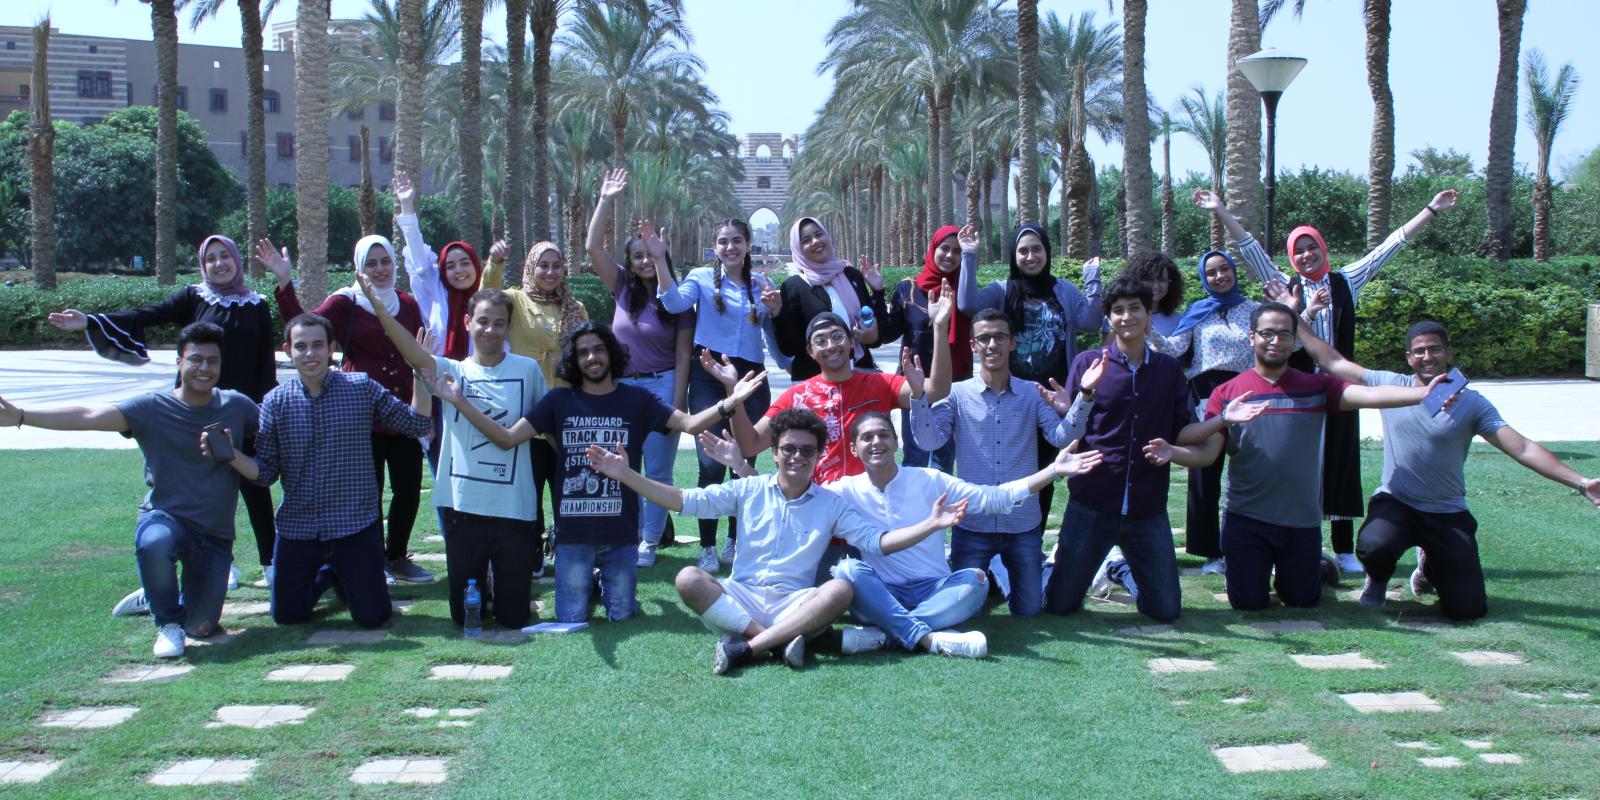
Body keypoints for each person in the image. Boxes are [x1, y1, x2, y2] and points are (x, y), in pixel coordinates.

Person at [585, 408, 971, 674]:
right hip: (742, 597)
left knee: (839, 589)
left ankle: (746, 649)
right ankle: (773, 643)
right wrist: (626, 475)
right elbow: (685, 501)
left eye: (807, 450)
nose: (797, 456)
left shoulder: (831, 504)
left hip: (795, 603)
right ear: (774, 453)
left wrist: (932, 524)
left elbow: (879, 542)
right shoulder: (748, 488)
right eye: (789, 448)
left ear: (819, 456)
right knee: (688, 578)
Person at [1195, 187, 1459, 576]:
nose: (1305, 255)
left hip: (1339, 386)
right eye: (1298, 250)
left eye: (1311, 247)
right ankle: (1281, 540)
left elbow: (1389, 247)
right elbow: (1248, 247)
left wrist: (1430, 211)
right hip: (1295, 388)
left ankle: (1343, 546)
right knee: (1292, 462)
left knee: (1340, 459)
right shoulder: (1287, 286)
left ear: (1322, 248)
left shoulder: (1345, 281)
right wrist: (1220, 210)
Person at [431, 321, 768, 624]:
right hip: (574, 534)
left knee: (620, 615)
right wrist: (460, 402)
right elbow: (506, 439)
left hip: (621, 533)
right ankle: (591, 582)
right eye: (583, 353)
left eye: (598, 350)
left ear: (611, 354)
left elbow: (690, 424)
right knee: (571, 617)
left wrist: (730, 399)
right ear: (574, 361)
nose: (592, 358)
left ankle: (600, 581)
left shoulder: (637, 400)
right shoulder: (558, 401)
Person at [704, 412, 1101, 657]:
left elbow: (992, 499)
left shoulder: (929, 479)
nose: (876, 442)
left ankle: (888, 635)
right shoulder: (842, 490)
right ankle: (929, 639)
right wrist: (741, 467)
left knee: (977, 582)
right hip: (877, 594)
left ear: (895, 442)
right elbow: (783, 495)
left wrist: (1053, 472)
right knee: (848, 572)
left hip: (933, 589)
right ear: (855, 448)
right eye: (866, 438)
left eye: (883, 435)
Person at [1295, 314, 1600, 619]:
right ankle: (1377, 579)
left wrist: (1582, 483)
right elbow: (1333, 362)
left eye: (1435, 349)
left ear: (1448, 353)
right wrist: (1294, 318)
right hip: (1396, 502)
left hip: (1446, 511)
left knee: (1468, 610)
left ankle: (1428, 569)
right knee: (1374, 544)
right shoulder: (1390, 385)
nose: (1427, 357)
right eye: (1419, 351)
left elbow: (1522, 447)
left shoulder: (1471, 402)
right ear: (1409, 357)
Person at [1, 323, 257, 658]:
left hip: (215, 534)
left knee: (202, 628)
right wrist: (22, 415)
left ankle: (154, 593)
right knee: (155, 543)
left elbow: (277, 430)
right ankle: (166, 620)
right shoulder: (152, 408)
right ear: (179, 362)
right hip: (167, 516)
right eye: (196, 360)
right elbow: (90, 415)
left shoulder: (237, 406)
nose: (205, 369)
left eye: (213, 361)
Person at [1175, 302, 1443, 611]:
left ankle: (1318, 564)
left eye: (1284, 334)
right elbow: (1208, 456)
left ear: (1294, 341)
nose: (1276, 341)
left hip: (1300, 522)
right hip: (1245, 520)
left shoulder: (1315, 386)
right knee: (1248, 604)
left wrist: (1423, 393)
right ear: (1252, 337)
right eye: (1267, 333)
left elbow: (1369, 395)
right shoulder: (1227, 393)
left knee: (1302, 600)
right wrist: (1171, 453)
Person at [50, 236, 276, 592]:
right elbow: (147, 315)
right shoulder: (195, 297)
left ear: (236, 259)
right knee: (206, 491)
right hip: (194, 413)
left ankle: (271, 563)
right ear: (203, 265)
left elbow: (266, 364)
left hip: (240, 412)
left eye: (225, 257)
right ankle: (221, 563)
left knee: (254, 490)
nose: (219, 264)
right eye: (211, 258)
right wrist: (90, 322)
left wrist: (264, 413)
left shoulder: (257, 305)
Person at [712, 300, 953, 583]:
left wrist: (939, 327)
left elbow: (936, 389)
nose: (831, 345)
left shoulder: (878, 384)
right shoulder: (797, 396)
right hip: (818, 521)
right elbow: (751, 444)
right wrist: (733, 398)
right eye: (821, 340)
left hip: (870, 518)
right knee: (820, 594)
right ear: (810, 351)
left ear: (852, 342)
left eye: (838, 337)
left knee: (880, 590)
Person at [357, 274, 546, 631]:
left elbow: (541, 425)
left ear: (509, 327)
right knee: (464, 616)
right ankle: (483, 585)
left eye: (499, 324)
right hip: (464, 506)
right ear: (467, 322)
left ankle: (507, 589)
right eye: (483, 321)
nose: (490, 330)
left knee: (513, 619)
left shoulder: (528, 371)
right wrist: (380, 308)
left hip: (514, 508)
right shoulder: (449, 371)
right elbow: (413, 356)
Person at [225, 313, 432, 629]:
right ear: (287, 350)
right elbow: (265, 473)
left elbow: (416, 423)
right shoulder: (274, 402)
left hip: (355, 527)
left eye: (318, 345)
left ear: (332, 347)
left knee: (373, 617)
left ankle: (348, 572)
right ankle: (332, 573)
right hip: (299, 530)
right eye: (301, 346)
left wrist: (421, 371)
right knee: (288, 617)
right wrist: (231, 455)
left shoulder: (361, 387)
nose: (310, 354)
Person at [1042, 278, 1229, 623]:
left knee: (1165, 609)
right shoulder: (1087, 364)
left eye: (1135, 308)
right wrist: (1072, 402)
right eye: (1118, 310)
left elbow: (1181, 430)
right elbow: (1072, 425)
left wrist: (1221, 420)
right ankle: (1060, 563)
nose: (1126, 316)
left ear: (1148, 314)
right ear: (1108, 318)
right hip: (1092, 502)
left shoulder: (1168, 370)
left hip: (1147, 507)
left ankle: (1118, 567)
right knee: (1059, 605)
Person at [257, 234, 434, 585]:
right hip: (360, 414)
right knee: (368, 491)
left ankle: (396, 555)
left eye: (385, 261)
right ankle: (370, 561)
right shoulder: (345, 302)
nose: (380, 269)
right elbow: (303, 328)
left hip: (401, 413)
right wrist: (283, 280)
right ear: (358, 267)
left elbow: (418, 350)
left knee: (409, 489)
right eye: (371, 263)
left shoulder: (407, 303)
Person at [909, 307, 1081, 617]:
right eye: (984, 338)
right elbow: (929, 440)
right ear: (973, 345)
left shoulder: (1031, 392)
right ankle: (992, 579)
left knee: (1028, 611)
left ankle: (1021, 573)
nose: (992, 345)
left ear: (1012, 343)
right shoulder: (957, 395)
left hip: (1022, 523)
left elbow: (1060, 437)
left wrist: (1081, 402)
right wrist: (919, 396)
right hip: (973, 523)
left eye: (1000, 337)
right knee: (966, 612)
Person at [656, 218, 784, 574]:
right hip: (710, 374)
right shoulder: (700, 277)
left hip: (751, 378)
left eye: (737, 241)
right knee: (711, 463)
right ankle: (708, 547)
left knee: (746, 460)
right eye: (723, 242)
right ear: (715, 247)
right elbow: (673, 303)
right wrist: (659, 260)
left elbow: (776, 336)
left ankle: (736, 541)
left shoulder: (763, 284)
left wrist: (776, 309)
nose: (730, 247)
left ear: (748, 244)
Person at [957, 224, 1102, 530]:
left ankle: (1030, 541)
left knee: (1045, 475)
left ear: (1047, 252)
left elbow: (1090, 322)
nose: (1031, 256)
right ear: (1014, 255)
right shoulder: (1002, 289)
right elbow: (968, 305)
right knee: (1011, 471)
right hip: (1014, 398)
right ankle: (1001, 543)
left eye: (1037, 249)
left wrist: (1093, 280)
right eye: (1023, 250)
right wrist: (969, 255)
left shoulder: (1064, 290)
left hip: (1053, 399)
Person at [585, 169, 695, 567]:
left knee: (659, 469)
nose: (645, 260)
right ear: (629, 262)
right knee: (620, 464)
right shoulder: (622, 288)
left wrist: (676, 406)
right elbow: (593, 247)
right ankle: (625, 536)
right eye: (638, 255)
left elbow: (683, 355)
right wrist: (605, 198)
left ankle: (648, 543)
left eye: (652, 254)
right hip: (622, 389)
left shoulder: (679, 300)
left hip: (663, 387)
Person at [1145, 248, 1269, 575]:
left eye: (1224, 269)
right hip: (1205, 399)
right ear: (1204, 277)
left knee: (1252, 473)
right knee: (1205, 474)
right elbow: (1174, 350)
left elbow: (1280, 342)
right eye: (1211, 272)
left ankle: (1255, 546)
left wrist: (1303, 310)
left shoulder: (1255, 310)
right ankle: (1210, 551)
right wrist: (1149, 329)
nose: (1219, 276)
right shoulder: (1198, 311)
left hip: (1247, 396)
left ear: (1233, 271)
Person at [480, 240, 590, 576]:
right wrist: (494, 261)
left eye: (557, 266)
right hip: (527, 413)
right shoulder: (515, 300)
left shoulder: (576, 308)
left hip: (566, 414)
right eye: (543, 265)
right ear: (530, 267)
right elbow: (488, 294)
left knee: (566, 490)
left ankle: (569, 549)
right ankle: (532, 553)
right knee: (528, 491)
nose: (550, 272)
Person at [390, 169, 487, 472]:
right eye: (451, 266)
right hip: (439, 397)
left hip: (478, 396)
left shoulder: (489, 300)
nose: (459, 271)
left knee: (477, 472)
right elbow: (419, 257)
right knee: (443, 472)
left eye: (466, 263)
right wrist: (407, 207)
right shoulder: (435, 293)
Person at [879, 224, 978, 472]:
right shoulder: (908, 288)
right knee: (915, 457)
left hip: (954, 384)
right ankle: (914, 511)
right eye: (944, 248)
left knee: (944, 458)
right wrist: (877, 293)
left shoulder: (964, 291)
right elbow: (888, 332)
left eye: (957, 251)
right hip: (915, 384)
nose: (950, 255)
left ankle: (941, 509)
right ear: (933, 248)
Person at [772, 216, 887, 380]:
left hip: (859, 374)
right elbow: (790, 348)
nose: (815, 241)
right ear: (798, 248)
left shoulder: (851, 275)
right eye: (806, 240)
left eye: (819, 234)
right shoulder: (793, 287)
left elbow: (877, 333)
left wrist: (878, 292)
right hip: (814, 382)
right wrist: (777, 314)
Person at [1118, 252, 1186, 336]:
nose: (1156, 286)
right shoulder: (1119, 315)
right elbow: (1107, 346)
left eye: (1162, 280)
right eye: (1149, 280)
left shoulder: (1179, 320)